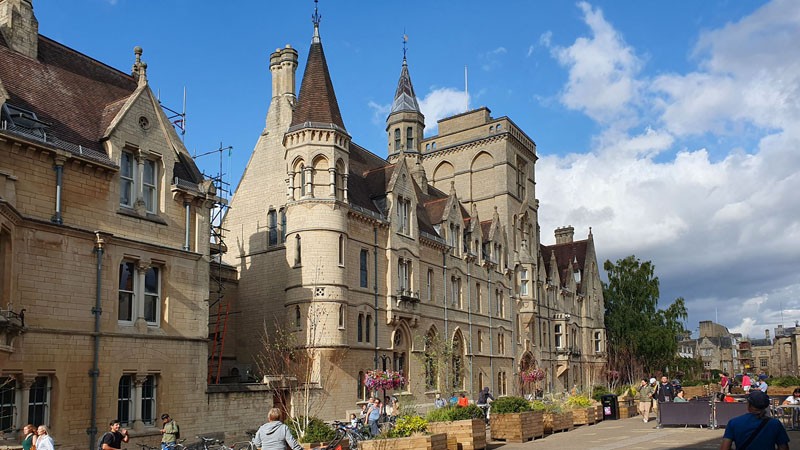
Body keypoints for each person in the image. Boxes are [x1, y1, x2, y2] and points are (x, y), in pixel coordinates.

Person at [720, 391, 789, 450]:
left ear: (749, 405)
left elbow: (724, 448)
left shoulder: (733, 423)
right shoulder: (775, 424)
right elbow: (783, 448)